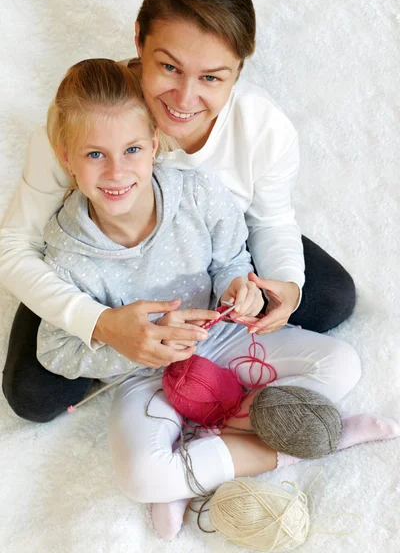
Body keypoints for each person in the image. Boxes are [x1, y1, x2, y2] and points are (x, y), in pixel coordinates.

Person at [35, 58, 398, 541]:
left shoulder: (197, 193)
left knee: (343, 364)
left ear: (155, 144)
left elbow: (231, 258)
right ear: (65, 156)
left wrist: (238, 286)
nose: (117, 171)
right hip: (147, 378)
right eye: (94, 155)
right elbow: (54, 350)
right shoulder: (65, 252)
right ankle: (316, 440)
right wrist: (123, 344)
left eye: (132, 149)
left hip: (222, 342)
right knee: (140, 477)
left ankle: (200, 450)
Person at [1, 0, 356, 423]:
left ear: (238, 71)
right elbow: (14, 247)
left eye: (212, 78)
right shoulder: (87, 124)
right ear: (139, 43)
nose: (185, 100)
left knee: (328, 296)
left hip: (207, 249)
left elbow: (269, 220)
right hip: (99, 268)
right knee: (31, 395)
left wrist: (284, 284)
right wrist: (101, 323)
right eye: (169, 67)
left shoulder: (264, 128)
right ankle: (136, 353)